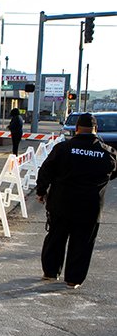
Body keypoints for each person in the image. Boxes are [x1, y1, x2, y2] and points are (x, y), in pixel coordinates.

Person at [36, 113, 117, 288]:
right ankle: (73, 279)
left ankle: (50, 272)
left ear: (77, 128)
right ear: (96, 129)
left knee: (56, 237)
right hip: (90, 206)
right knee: (82, 243)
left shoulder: (63, 148)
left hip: (61, 203)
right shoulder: (107, 153)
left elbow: (46, 170)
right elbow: (112, 173)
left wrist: (41, 191)